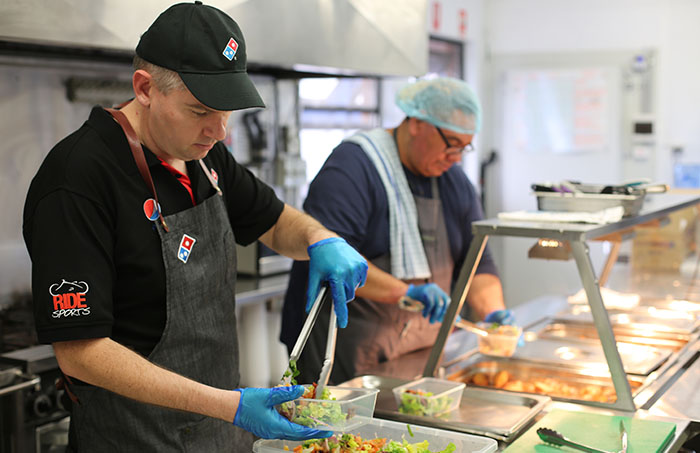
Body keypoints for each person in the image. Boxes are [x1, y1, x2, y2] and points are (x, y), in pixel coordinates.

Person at [22, 2, 367, 451]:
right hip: (134, 437)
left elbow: (275, 221)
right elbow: (80, 354)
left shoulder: (203, 158)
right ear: (145, 88)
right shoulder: (78, 178)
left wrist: (321, 239)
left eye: (228, 112)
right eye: (201, 110)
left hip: (218, 429)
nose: (219, 131)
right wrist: (232, 407)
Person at [281, 77, 515, 385]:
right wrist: (406, 292)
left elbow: (477, 263)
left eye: (464, 147)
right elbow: (332, 264)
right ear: (417, 124)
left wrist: (493, 316)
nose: (457, 157)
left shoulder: (453, 181)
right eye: (452, 144)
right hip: (344, 354)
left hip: (414, 356)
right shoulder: (353, 168)